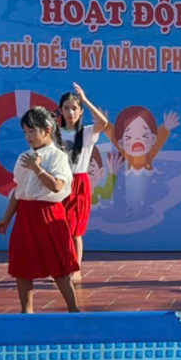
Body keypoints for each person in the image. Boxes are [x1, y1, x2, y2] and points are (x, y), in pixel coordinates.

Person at [0, 107, 81, 313]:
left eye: (32, 131)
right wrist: (7, 217)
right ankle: (26, 311)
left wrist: (37, 168)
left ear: (47, 130)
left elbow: (57, 186)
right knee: (22, 266)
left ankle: (73, 309)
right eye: (25, 131)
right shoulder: (24, 157)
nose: (28, 136)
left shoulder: (57, 156)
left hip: (49, 214)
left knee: (59, 265)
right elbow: (18, 191)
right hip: (25, 215)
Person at [57, 82, 114, 285]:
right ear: (61, 111)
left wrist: (85, 99)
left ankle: (76, 269)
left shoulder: (88, 132)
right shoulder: (55, 133)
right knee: (58, 229)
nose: (71, 112)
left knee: (75, 230)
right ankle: (59, 267)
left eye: (75, 108)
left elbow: (103, 122)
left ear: (81, 111)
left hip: (79, 183)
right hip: (59, 183)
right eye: (66, 108)